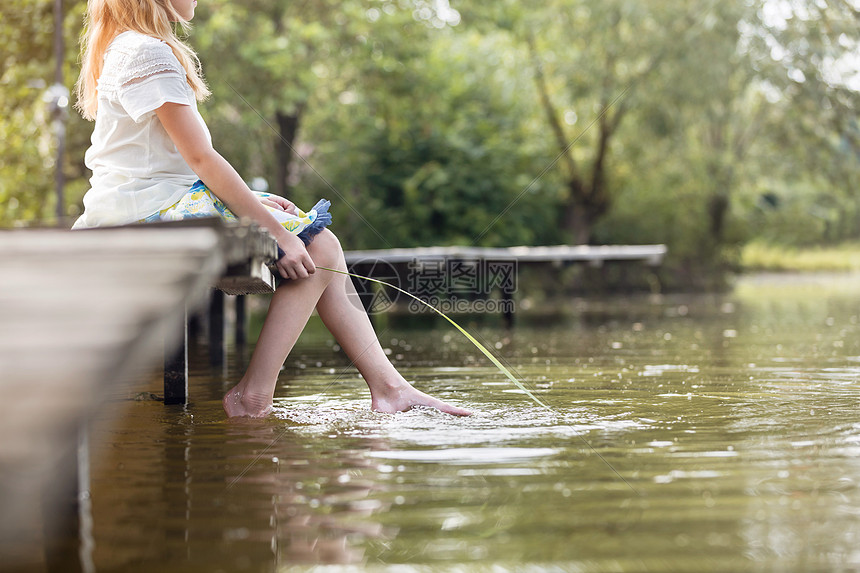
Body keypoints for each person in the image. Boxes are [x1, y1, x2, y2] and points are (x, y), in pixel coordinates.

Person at [73, 0, 471, 418]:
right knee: (317, 245)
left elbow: (159, 162)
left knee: (319, 244)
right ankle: (260, 396)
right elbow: (201, 159)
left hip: (143, 209)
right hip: (144, 220)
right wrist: (278, 235)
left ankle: (385, 388)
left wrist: (248, 199)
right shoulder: (146, 52)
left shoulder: (128, 45)